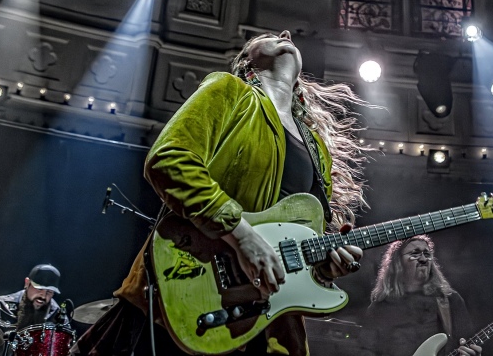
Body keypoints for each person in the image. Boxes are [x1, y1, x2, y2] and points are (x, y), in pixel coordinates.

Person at [74, 30, 370, 355]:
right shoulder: (230, 90)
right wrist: (242, 235)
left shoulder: (316, 147)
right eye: (270, 35)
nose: (285, 34)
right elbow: (169, 159)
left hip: (268, 327)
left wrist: (323, 268)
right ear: (247, 63)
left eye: (286, 35)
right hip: (193, 292)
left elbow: (297, 241)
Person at [366, 236, 482, 356]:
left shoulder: (450, 300)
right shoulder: (379, 308)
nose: (423, 259)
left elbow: (467, 343)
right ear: (397, 262)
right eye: (415, 254)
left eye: (427, 254)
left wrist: (473, 353)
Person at [0, 263, 69, 335]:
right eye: (39, 289)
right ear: (27, 283)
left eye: (49, 292)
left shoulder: (58, 315)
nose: (43, 296)